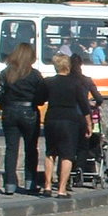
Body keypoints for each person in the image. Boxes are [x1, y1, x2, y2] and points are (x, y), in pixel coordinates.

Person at [0, 43, 45, 195]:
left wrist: (5, 105)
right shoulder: (34, 74)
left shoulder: (7, 73)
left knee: (11, 148)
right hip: (29, 111)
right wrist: (35, 102)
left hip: (9, 110)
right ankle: (30, 182)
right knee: (31, 148)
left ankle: (9, 183)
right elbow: (41, 96)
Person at [38, 53, 90, 198]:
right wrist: (89, 124)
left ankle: (47, 186)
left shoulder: (48, 82)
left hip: (52, 118)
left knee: (50, 153)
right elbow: (84, 105)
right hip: (69, 120)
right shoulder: (75, 83)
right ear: (68, 66)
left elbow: (40, 99)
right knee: (67, 155)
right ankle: (61, 189)